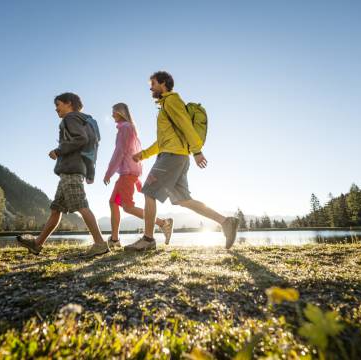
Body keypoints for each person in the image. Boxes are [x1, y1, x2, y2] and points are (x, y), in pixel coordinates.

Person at [125, 71, 239, 251]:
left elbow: (185, 124)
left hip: (172, 157)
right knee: (183, 200)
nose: (150, 87)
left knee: (149, 192)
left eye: (153, 83)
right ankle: (226, 222)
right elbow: (163, 142)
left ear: (163, 84)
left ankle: (148, 240)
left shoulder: (171, 101)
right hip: (175, 156)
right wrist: (143, 154)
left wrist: (197, 151)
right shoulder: (165, 106)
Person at [16, 92, 109, 257]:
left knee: (81, 205)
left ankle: (100, 243)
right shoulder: (82, 119)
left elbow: (81, 139)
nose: (56, 109)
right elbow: (88, 144)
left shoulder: (70, 118)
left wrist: (58, 151)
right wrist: (90, 172)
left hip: (71, 169)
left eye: (58, 105)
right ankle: (37, 244)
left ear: (69, 103)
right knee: (56, 209)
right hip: (72, 170)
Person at [103, 103, 174, 248]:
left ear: (121, 112)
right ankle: (114, 239)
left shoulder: (125, 128)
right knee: (113, 202)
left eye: (114, 112)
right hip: (127, 173)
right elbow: (131, 152)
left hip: (127, 174)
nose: (112, 115)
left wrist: (109, 172)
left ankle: (163, 223)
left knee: (127, 207)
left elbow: (120, 152)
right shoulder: (128, 128)